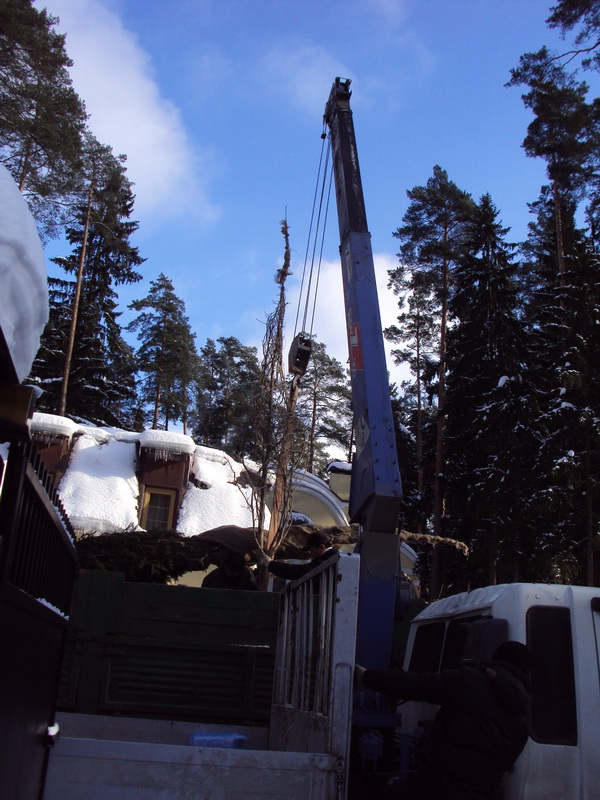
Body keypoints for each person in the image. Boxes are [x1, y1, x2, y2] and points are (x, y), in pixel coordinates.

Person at [355, 640, 532, 800]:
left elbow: (416, 685)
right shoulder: (523, 718)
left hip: (434, 788)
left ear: (496, 659)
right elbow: (504, 769)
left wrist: (366, 677)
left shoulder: (468, 681)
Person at [267, 530, 339, 580]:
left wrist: (271, 565)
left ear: (322, 547)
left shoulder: (327, 561)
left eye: (312, 551)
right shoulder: (332, 558)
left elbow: (300, 572)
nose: (311, 554)